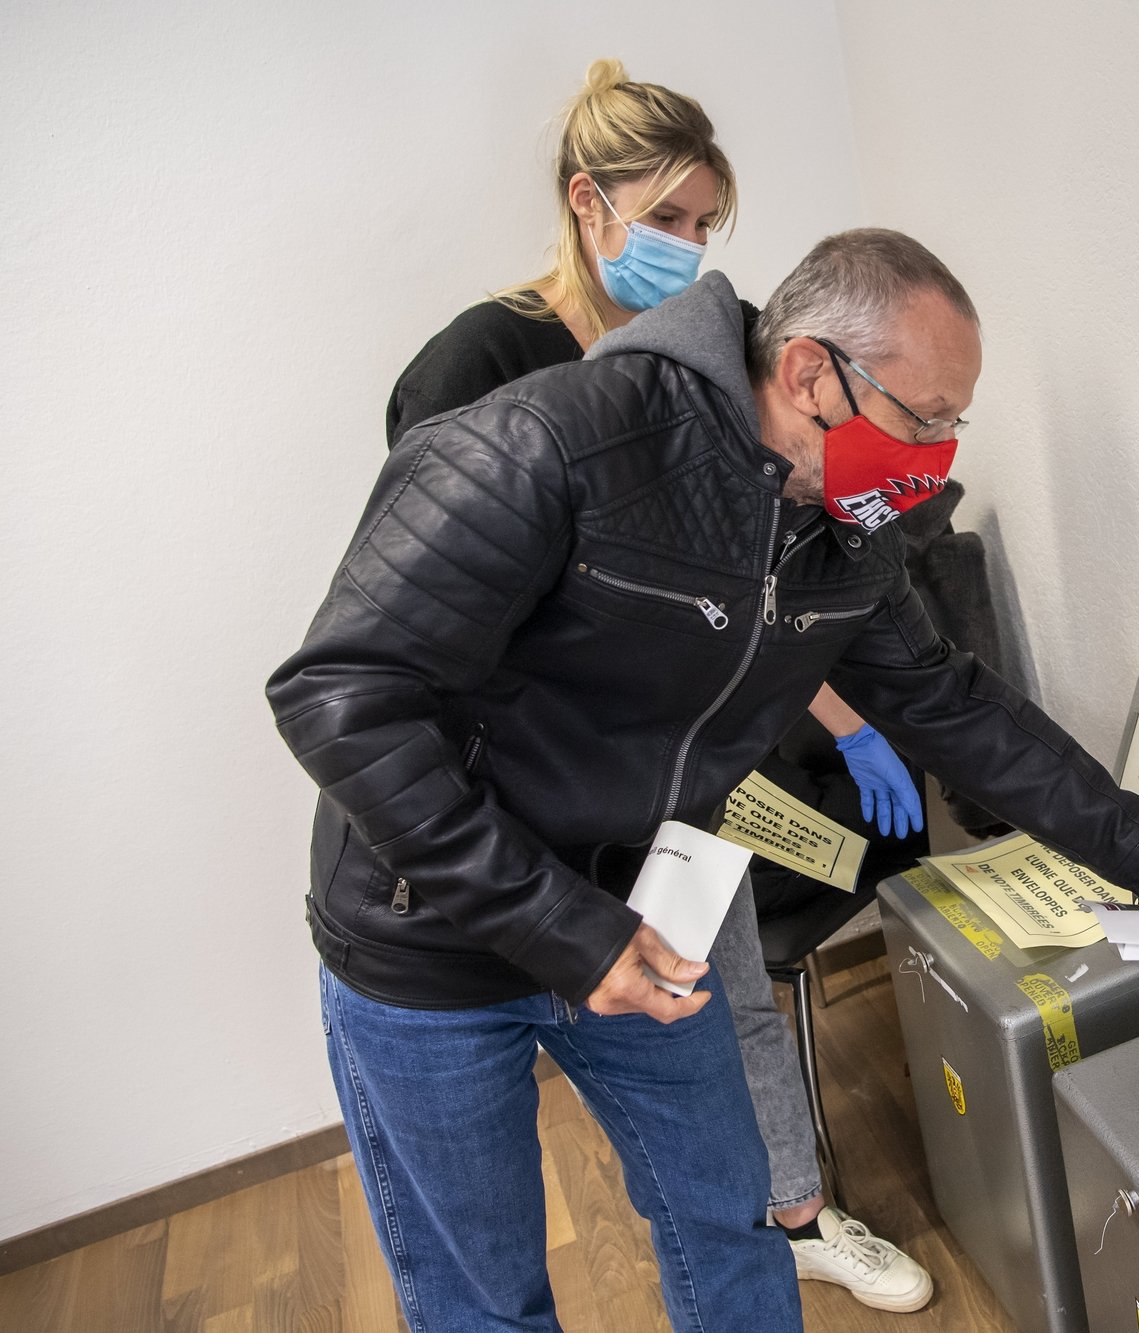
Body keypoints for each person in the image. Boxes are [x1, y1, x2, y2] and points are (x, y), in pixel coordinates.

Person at [268, 226, 1139, 1333]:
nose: (936, 454)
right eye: (922, 418)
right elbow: (340, 694)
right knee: (482, 1304)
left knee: (731, 1222)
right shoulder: (548, 444)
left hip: (647, 917)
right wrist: (560, 927)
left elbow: (954, 706)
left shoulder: (842, 532)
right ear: (808, 372)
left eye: (953, 425)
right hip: (431, 937)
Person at [381, 61, 932, 1311]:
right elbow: (418, 624)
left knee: (727, 1007)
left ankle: (791, 1211)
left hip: (674, 789)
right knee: (486, 1226)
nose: (689, 251)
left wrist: (849, 724)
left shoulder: (697, 369)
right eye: (669, 220)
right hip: (515, 810)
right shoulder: (481, 364)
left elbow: (748, 595)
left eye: (702, 227)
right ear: (591, 204)